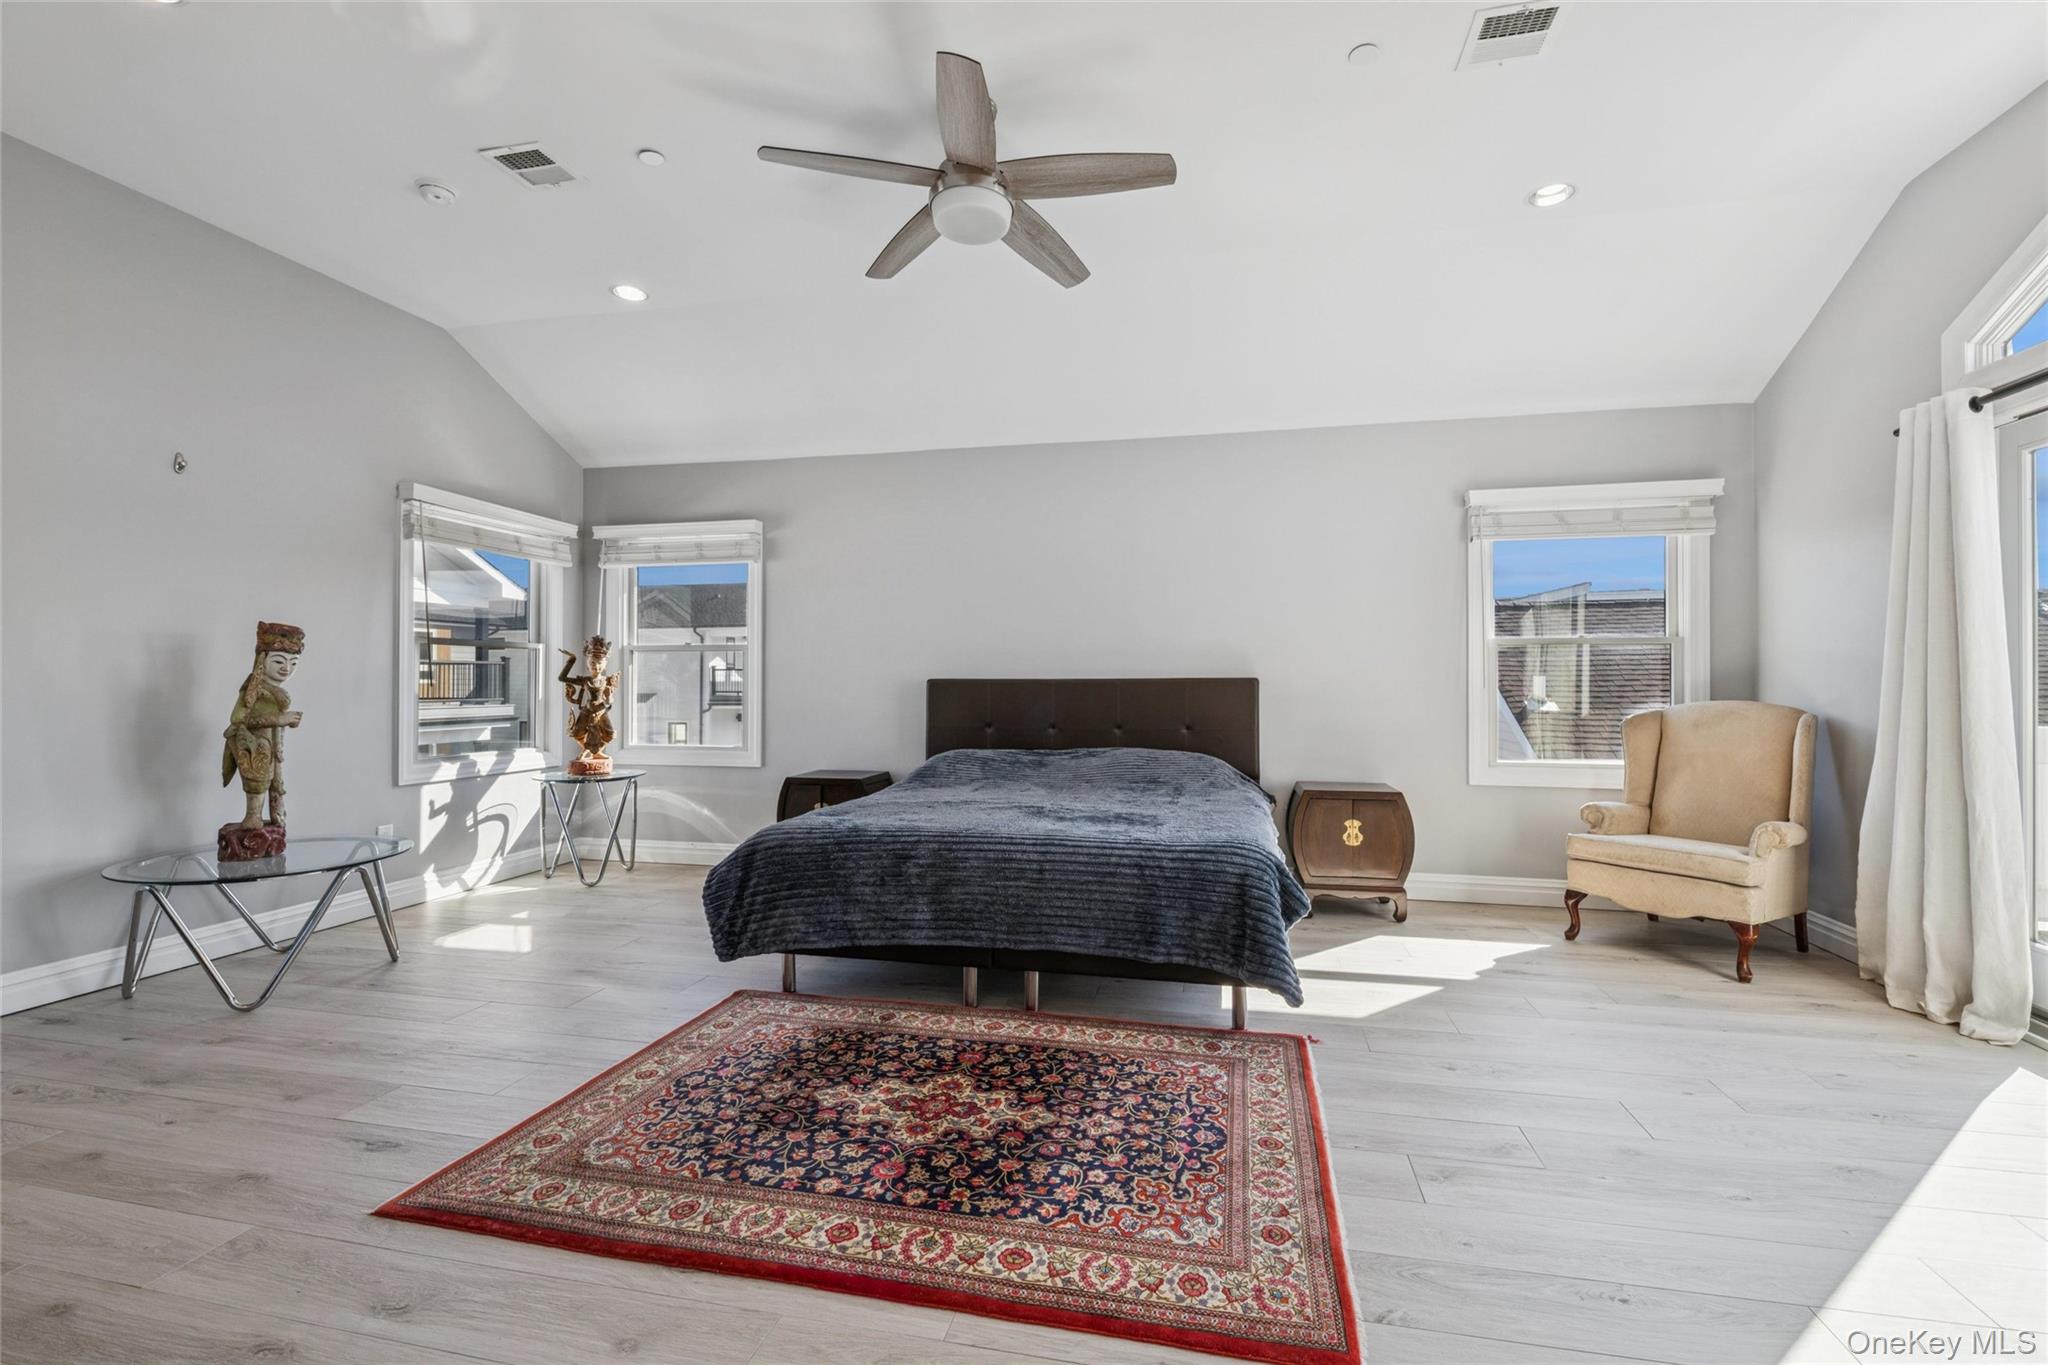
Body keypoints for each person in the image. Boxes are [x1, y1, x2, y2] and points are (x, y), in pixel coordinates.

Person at [221, 621, 304, 830]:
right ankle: (252, 817)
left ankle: (273, 816)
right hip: (255, 744)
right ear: (262, 660)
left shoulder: (273, 688)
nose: (286, 668)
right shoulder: (253, 688)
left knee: (274, 780)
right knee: (259, 780)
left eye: (293, 663)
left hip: (271, 745)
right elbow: (238, 718)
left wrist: (284, 721)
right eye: (278, 661)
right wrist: (279, 719)